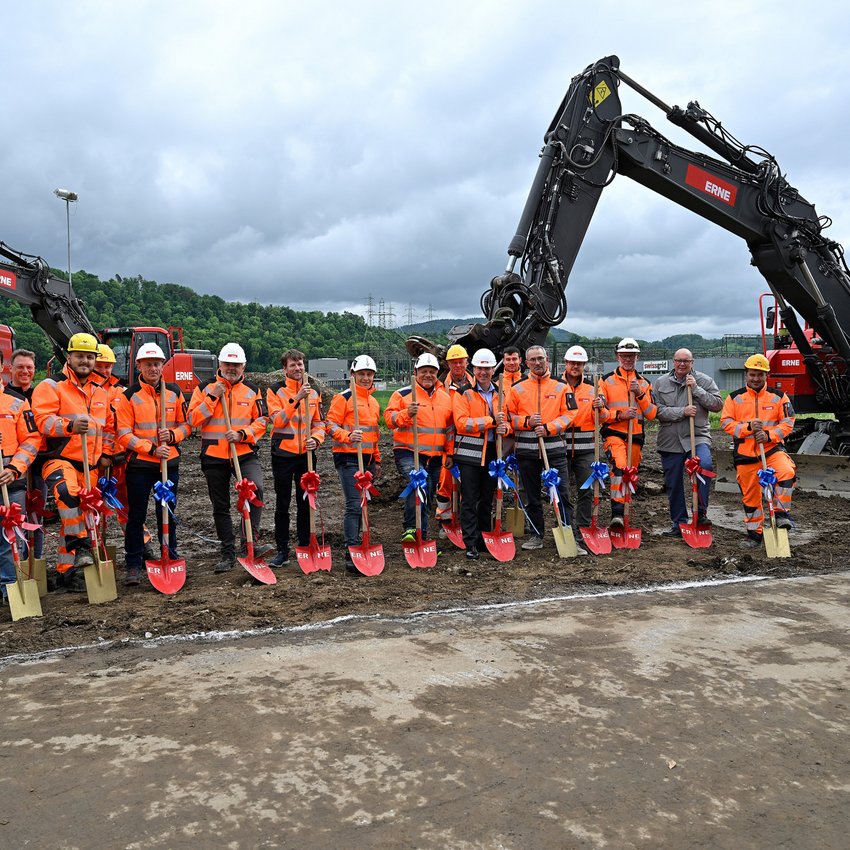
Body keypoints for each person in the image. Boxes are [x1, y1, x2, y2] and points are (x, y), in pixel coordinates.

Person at [31, 333, 115, 590]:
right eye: (80, 356)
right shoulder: (51, 386)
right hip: (60, 459)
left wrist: (107, 453)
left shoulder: (100, 391)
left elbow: (109, 427)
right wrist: (67, 425)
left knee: (79, 516)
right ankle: (81, 548)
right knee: (67, 497)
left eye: (90, 357)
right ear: (69, 357)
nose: (85, 361)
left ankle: (66, 572)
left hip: (90, 466)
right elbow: (42, 420)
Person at [188, 342, 273, 573]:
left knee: (256, 489)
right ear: (220, 364)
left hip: (244, 453)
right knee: (221, 506)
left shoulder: (253, 390)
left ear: (243, 365)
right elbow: (193, 420)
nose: (231, 368)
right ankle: (227, 552)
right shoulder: (204, 388)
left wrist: (243, 434)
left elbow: (263, 421)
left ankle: (250, 543)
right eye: (227, 364)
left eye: (236, 364)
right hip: (214, 456)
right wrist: (212, 398)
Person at [115, 343, 192, 586]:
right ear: (139, 365)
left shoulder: (174, 392)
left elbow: (187, 425)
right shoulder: (129, 396)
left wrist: (173, 436)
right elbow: (123, 434)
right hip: (139, 466)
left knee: (166, 512)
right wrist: (150, 448)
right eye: (148, 364)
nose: (153, 368)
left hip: (169, 465)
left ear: (163, 366)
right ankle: (133, 564)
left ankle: (170, 554)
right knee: (136, 516)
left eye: (157, 363)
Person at [720, 354, 796, 547]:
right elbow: (726, 423)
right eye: (752, 374)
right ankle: (754, 534)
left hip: (771, 450)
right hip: (745, 455)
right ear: (746, 374)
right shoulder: (734, 398)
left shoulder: (779, 397)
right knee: (750, 497)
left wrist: (769, 435)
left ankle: (780, 513)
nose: (755, 378)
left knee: (786, 472)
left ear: (766, 376)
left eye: (759, 375)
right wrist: (748, 429)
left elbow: (788, 422)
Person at [504, 345, 574, 550]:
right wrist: (527, 422)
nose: (537, 363)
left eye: (540, 358)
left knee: (562, 493)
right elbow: (509, 418)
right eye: (533, 359)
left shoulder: (561, 386)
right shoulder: (517, 388)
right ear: (526, 363)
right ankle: (537, 534)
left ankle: (568, 532)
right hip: (526, 450)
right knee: (532, 495)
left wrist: (549, 428)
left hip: (554, 449)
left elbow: (570, 415)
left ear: (547, 359)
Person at [385, 353, 453, 542]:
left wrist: (449, 452)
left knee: (429, 493)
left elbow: (449, 429)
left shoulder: (445, 398)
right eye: (424, 371)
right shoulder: (403, 394)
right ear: (415, 372)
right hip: (409, 452)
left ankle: (421, 534)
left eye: (432, 372)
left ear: (437, 374)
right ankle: (411, 530)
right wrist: (407, 413)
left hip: (435, 456)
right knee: (418, 485)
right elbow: (389, 420)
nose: (428, 375)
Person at [654, 348, 723, 537]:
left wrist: (697, 391)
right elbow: (656, 411)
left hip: (697, 436)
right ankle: (679, 522)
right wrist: (681, 412)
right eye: (679, 360)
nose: (682, 364)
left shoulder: (704, 381)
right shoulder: (660, 383)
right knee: (673, 482)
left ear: (692, 362)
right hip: (670, 439)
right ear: (673, 362)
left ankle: (700, 513)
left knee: (704, 465)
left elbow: (718, 405)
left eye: (686, 361)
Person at [266, 348, 325, 567]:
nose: (298, 368)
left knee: (305, 502)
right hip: (283, 454)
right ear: (285, 369)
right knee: (282, 503)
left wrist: (316, 440)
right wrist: (297, 399)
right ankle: (282, 550)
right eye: (293, 365)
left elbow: (319, 423)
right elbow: (277, 421)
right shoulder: (275, 391)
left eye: (300, 364)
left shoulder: (314, 391)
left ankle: (304, 545)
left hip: (306, 455)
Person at [326, 355, 383, 574]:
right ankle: (351, 549)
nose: (366, 378)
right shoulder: (344, 398)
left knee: (364, 505)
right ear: (353, 375)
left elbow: (374, 435)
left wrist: (376, 459)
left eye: (369, 375)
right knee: (353, 504)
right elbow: (330, 425)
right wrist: (348, 435)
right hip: (348, 457)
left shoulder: (374, 401)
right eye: (362, 374)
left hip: (367, 458)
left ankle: (362, 543)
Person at [452, 348, 509, 559]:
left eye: (487, 368)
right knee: (470, 499)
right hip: (470, 454)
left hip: (493, 453)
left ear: (493, 369)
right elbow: (461, 423)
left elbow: (506, 421)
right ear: (473, 369)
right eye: (479, 368)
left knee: (487, 498)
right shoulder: (463, 393)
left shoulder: (500, 393)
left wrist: (506, 428)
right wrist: (490, 423)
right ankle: (470, 542)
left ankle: (484, 538)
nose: (484, 372)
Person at [598, 338, 657, 528]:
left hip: (636, 436)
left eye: (631, 356)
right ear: (617, 356)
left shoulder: (645, 383)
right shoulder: (606, 381)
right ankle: (616, 513)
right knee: (620, 467)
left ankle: (625, 511)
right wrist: (620, 415)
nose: (628, 359)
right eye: (624, 355)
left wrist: (640, 394)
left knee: (630, 473)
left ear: (637, 356)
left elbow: (651, 414)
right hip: (614, 433)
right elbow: (600, 415)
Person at [0, 349, 42, 605]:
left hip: (11, 483)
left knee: (11, 538)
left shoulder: (16, 402)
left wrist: (14, 468)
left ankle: (10, 586)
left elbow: (31, 440)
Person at [559, 345, 605, 547]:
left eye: (579, 363)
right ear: (566, 363)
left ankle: (583, 529)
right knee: (561, 491)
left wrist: (601, 409)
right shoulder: (555, 386)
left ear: (584, 365)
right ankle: (564, 527)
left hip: (586, 448)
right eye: (572, 363)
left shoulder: (593, 388)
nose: (575, 366)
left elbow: (603, 418)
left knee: (586, 489)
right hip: (560, 446)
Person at [6, 349, 46, 560]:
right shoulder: (6, 398)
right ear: (10, 369)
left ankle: (36, 561)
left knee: (36, 516)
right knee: (15, 518)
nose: (25, 371)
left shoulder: (41, 396)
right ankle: (18, 563)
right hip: (14, 470)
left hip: (39, 466)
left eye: (29, 367)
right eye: (20, 367)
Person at [434, 343, 472, 527]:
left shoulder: (475, 385)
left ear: (467, 362)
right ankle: (445, 519)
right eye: (453, 362)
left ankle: (466, 520)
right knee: (445, 479)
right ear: (448, 364)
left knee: (468, 481)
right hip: (448, 440)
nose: (458, 366)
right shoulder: (441, 388)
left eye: (460, 362)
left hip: (469, 440)